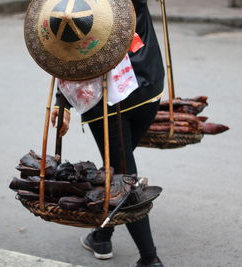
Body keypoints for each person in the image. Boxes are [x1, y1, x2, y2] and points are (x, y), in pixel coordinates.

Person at [51, 0, 165, 266]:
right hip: (147, 87)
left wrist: (62, 100)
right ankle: (102, 235)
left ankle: (150, 259)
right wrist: (62, 102)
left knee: (123, 176)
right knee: (119, 166)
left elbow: (62, 46)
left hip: (107, 100)